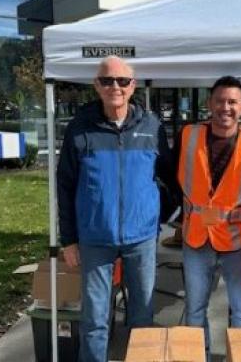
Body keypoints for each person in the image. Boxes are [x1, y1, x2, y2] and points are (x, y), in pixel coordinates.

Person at [57, 56, 174, 362]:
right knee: (95, 319)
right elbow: (65, 185)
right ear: (96, 85)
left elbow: (170, 176)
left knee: (142, 316)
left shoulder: (151, 127)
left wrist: (158, 215)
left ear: (132, 86)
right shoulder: (80, 128)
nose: (115, 87)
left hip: (141, 239)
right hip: (95, 238)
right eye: (107, 80)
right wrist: (68, 239)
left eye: (123, 81)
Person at [175, 76, 241, 357]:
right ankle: (196, 356)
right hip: (196, 238)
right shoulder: (188, 135)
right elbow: (168, 174)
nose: (225, 107)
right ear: (209, 104)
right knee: (194, 309)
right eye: (220, 101)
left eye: (232, 102)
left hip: (236, 241)